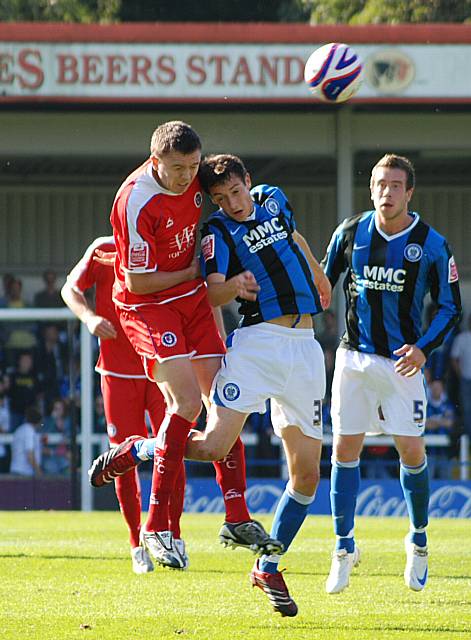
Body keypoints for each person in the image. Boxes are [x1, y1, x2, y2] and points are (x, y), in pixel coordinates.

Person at [91, 153, 331, 616]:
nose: (232, 203)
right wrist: (233, 286)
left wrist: (320, 276)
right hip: (259, 343)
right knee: (213, 446)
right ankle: (137, 450)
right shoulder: (218, 233)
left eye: (236, 192)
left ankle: (268, 566)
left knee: (306, 474)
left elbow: (296, 237)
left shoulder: (274, 199)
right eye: (220, 198)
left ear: (250, 182)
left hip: (306, 350)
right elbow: (212, 288)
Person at [88, 122, 276, 570]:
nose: (186, 176)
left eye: (193, 166)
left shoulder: (198, 179)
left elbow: (236, 194)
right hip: (148, 307)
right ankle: (157, 527)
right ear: (155, 162)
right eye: (177, 169)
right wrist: (194, 273)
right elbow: (136, 280)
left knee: (226, 403)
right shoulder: (135, 200)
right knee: (187, 403)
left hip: (191, 303)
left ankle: (235, 515)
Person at [321, 153, 462, 594]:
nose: (387, 192)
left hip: (403, 363)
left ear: (409, 192)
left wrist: (423, 349)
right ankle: (344, 548)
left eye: (396, 185)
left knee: (412, 453)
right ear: (371, 190)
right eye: (380, 184)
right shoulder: (349, 232)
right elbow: (323, 288)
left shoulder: (433, 244)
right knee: (344, 450)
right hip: (354, 358)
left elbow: (451, 306)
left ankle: (418, 540)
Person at [61, 235, 185, 573]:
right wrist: (88, 318)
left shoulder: (168, 248)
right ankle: (136, 545)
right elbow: (70, 288)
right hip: (117, 373)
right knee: (122, 456)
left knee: (171, 448)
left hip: (161, 366)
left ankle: (172, 535)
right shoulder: (104, 248)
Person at [425, 379, 455, 479]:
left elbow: (450, 423)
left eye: (438, 388)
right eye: (434, 388)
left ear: (442, 389)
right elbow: (423, 424)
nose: (436, 390)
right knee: (428, 482)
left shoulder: (447, 405)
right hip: (428, 451)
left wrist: (433, 421)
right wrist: (441, 421)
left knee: (445, 480)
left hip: (444, 451)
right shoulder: (425, 405)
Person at [451, 313, 471, 441]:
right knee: (467, 412)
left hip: (464, 379)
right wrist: (460, 375)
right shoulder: (461, 337)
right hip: (465, 380)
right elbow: (454, 359)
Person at [10, 406, 43, 476]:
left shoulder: (20, 429)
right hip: (23, 473)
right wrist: (39, 472)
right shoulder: (29, 431)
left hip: (16, 470)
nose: (41, 424)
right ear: (39, 421)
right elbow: (30, 455)